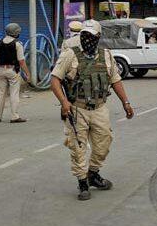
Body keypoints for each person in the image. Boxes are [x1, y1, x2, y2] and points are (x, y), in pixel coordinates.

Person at [49, 20, 134, 201]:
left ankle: (93, 173)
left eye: (91, 36)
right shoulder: (70, 54)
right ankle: (82, 182)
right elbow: (55, 80)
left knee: (104, 143)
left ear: (98, 37)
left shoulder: (106, 55)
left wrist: (126, 103)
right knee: (78, 147)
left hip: (99, 108)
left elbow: (115, 80)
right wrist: (64, 102)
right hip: (77, 108)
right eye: (85, 35)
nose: (87, 39)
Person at [0, 23, 29, 124]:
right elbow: (21, 61)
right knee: (14, 93)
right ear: (16, 33)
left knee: (1, 93)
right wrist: (27, 73)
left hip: (1, 70)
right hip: (13, 71)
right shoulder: (18, 44)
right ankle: (14, 116)